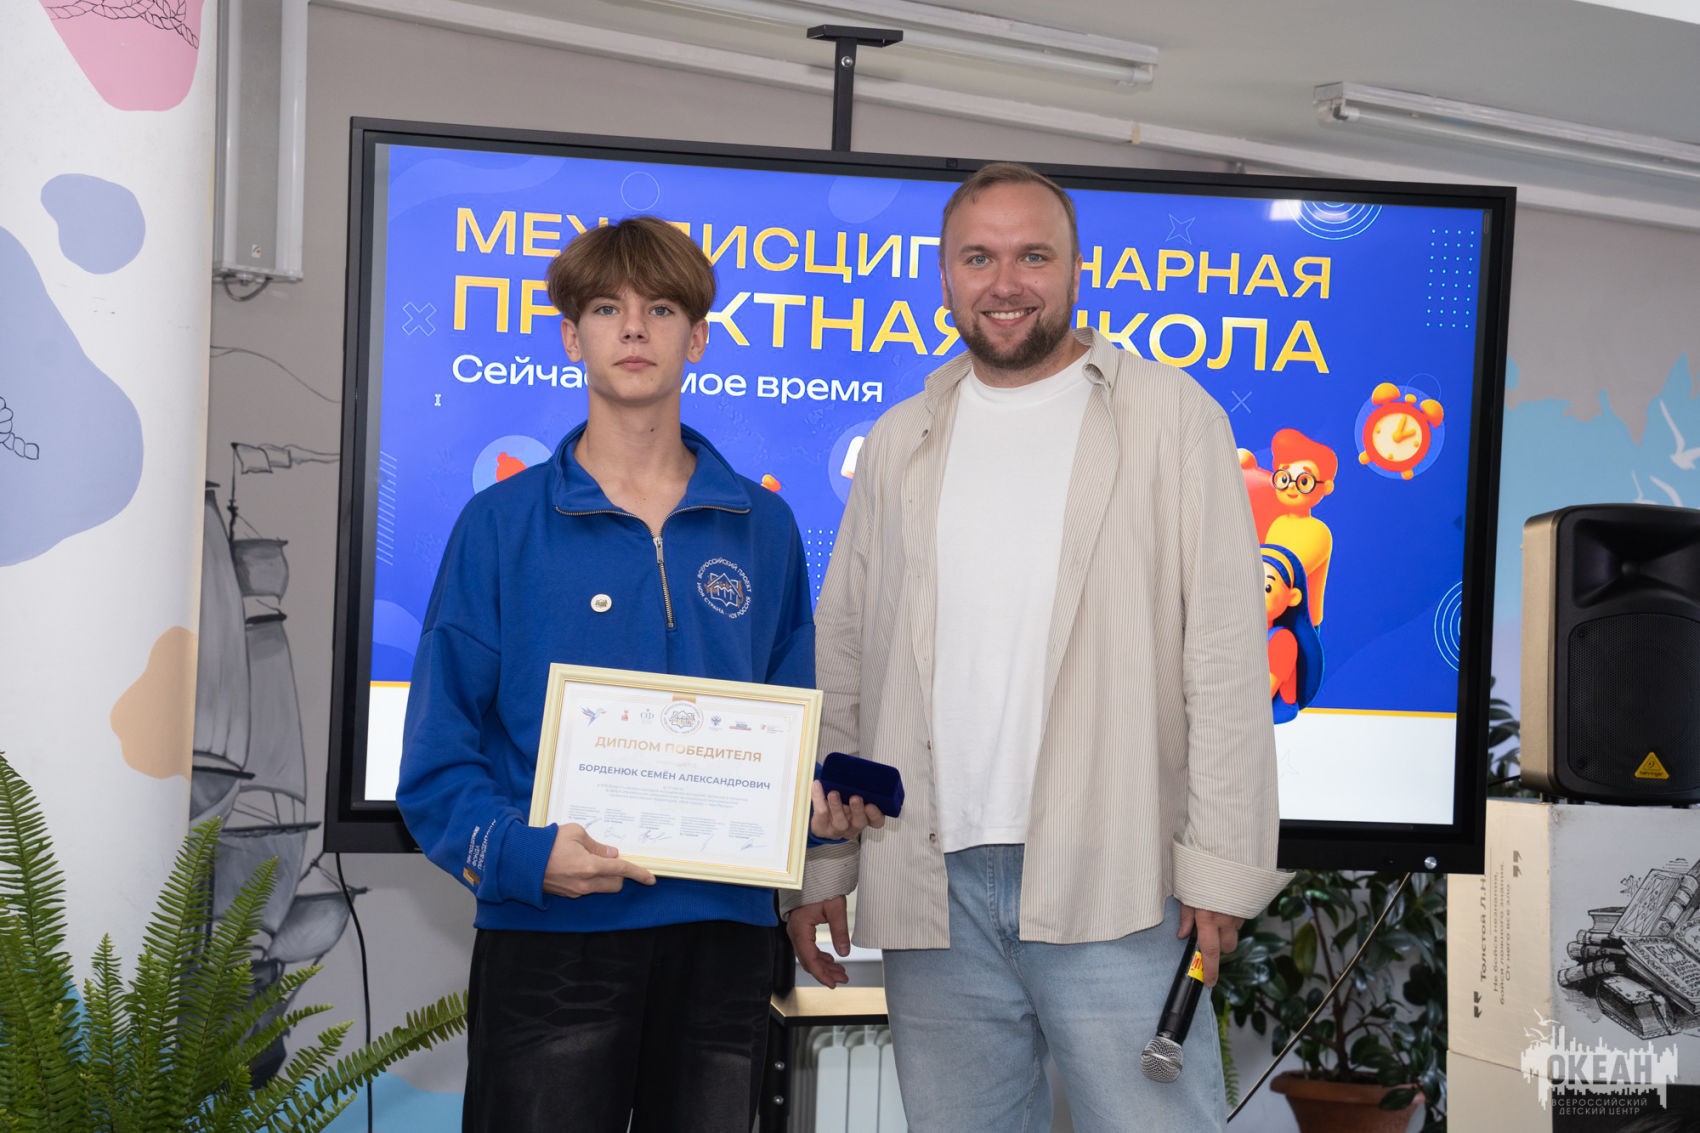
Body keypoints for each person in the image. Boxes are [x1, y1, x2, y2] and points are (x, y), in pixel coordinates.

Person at [784, 163, 1291, 1131]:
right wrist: (823, 863)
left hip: (1120, 880)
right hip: (930, 882)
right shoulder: (898, 438)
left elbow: (1227, 659)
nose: (1005, 282)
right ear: (944, 274)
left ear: (1075, 268)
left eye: (1032, 256)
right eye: (978, 257)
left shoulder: (1173, 418)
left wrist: (1222, 869)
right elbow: (845, 652)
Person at [396, 216, 871, 1133]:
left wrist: (816, 808)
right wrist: (526, 856)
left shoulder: (763, 529)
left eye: (661, 309)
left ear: (699, 337)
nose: (635, 329)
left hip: (724, 937)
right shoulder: (499, 526)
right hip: (551, 936)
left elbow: (795, 729)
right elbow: (436, 761)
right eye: (607, 309)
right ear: (571, 337)